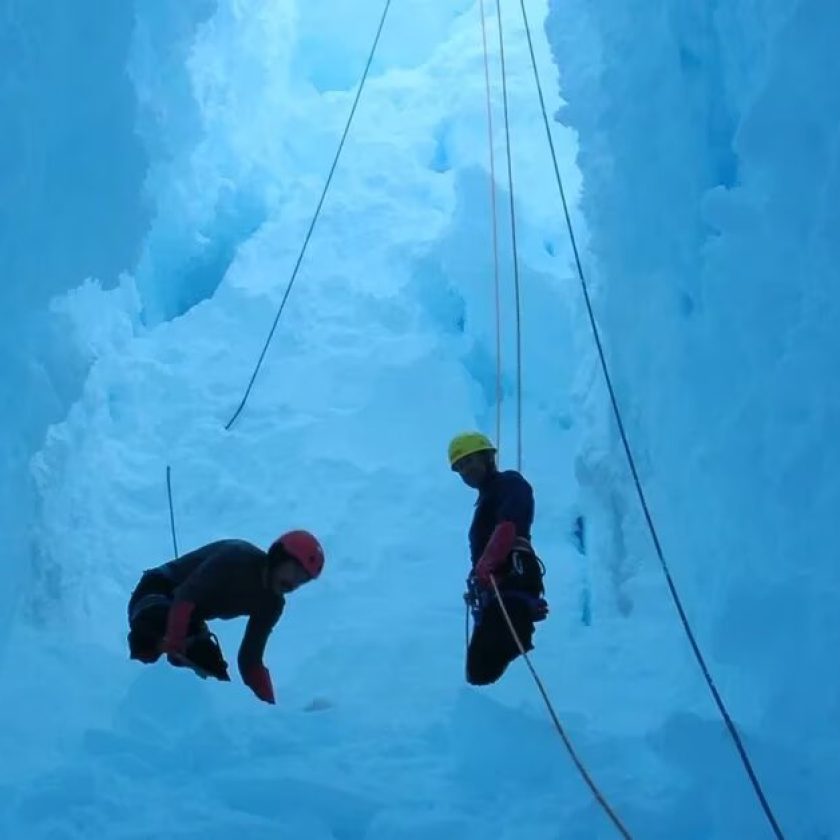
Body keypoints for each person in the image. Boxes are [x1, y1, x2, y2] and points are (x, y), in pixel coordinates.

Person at [127, 531, 325, 704]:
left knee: (214, 675)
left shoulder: (272, 604)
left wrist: (269, 707)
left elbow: (250, 661)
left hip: (188, 616)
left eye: (303, 579)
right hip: (157, 590)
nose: (295, 583)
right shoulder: (236, 556)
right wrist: (175, 643)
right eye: (296, 571)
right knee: (151, 635)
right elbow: (185, 597)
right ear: (280, 557)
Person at [449, 432, 548, 685]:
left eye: (470, 461)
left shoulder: (509, 483)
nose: (466, 471)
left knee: (482, 665)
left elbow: (509, 526)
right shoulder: (485, 501)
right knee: (479, 667)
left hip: (511, 576)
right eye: (461, 467)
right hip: (500, 585)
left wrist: (486, 566)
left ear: (488, 457)